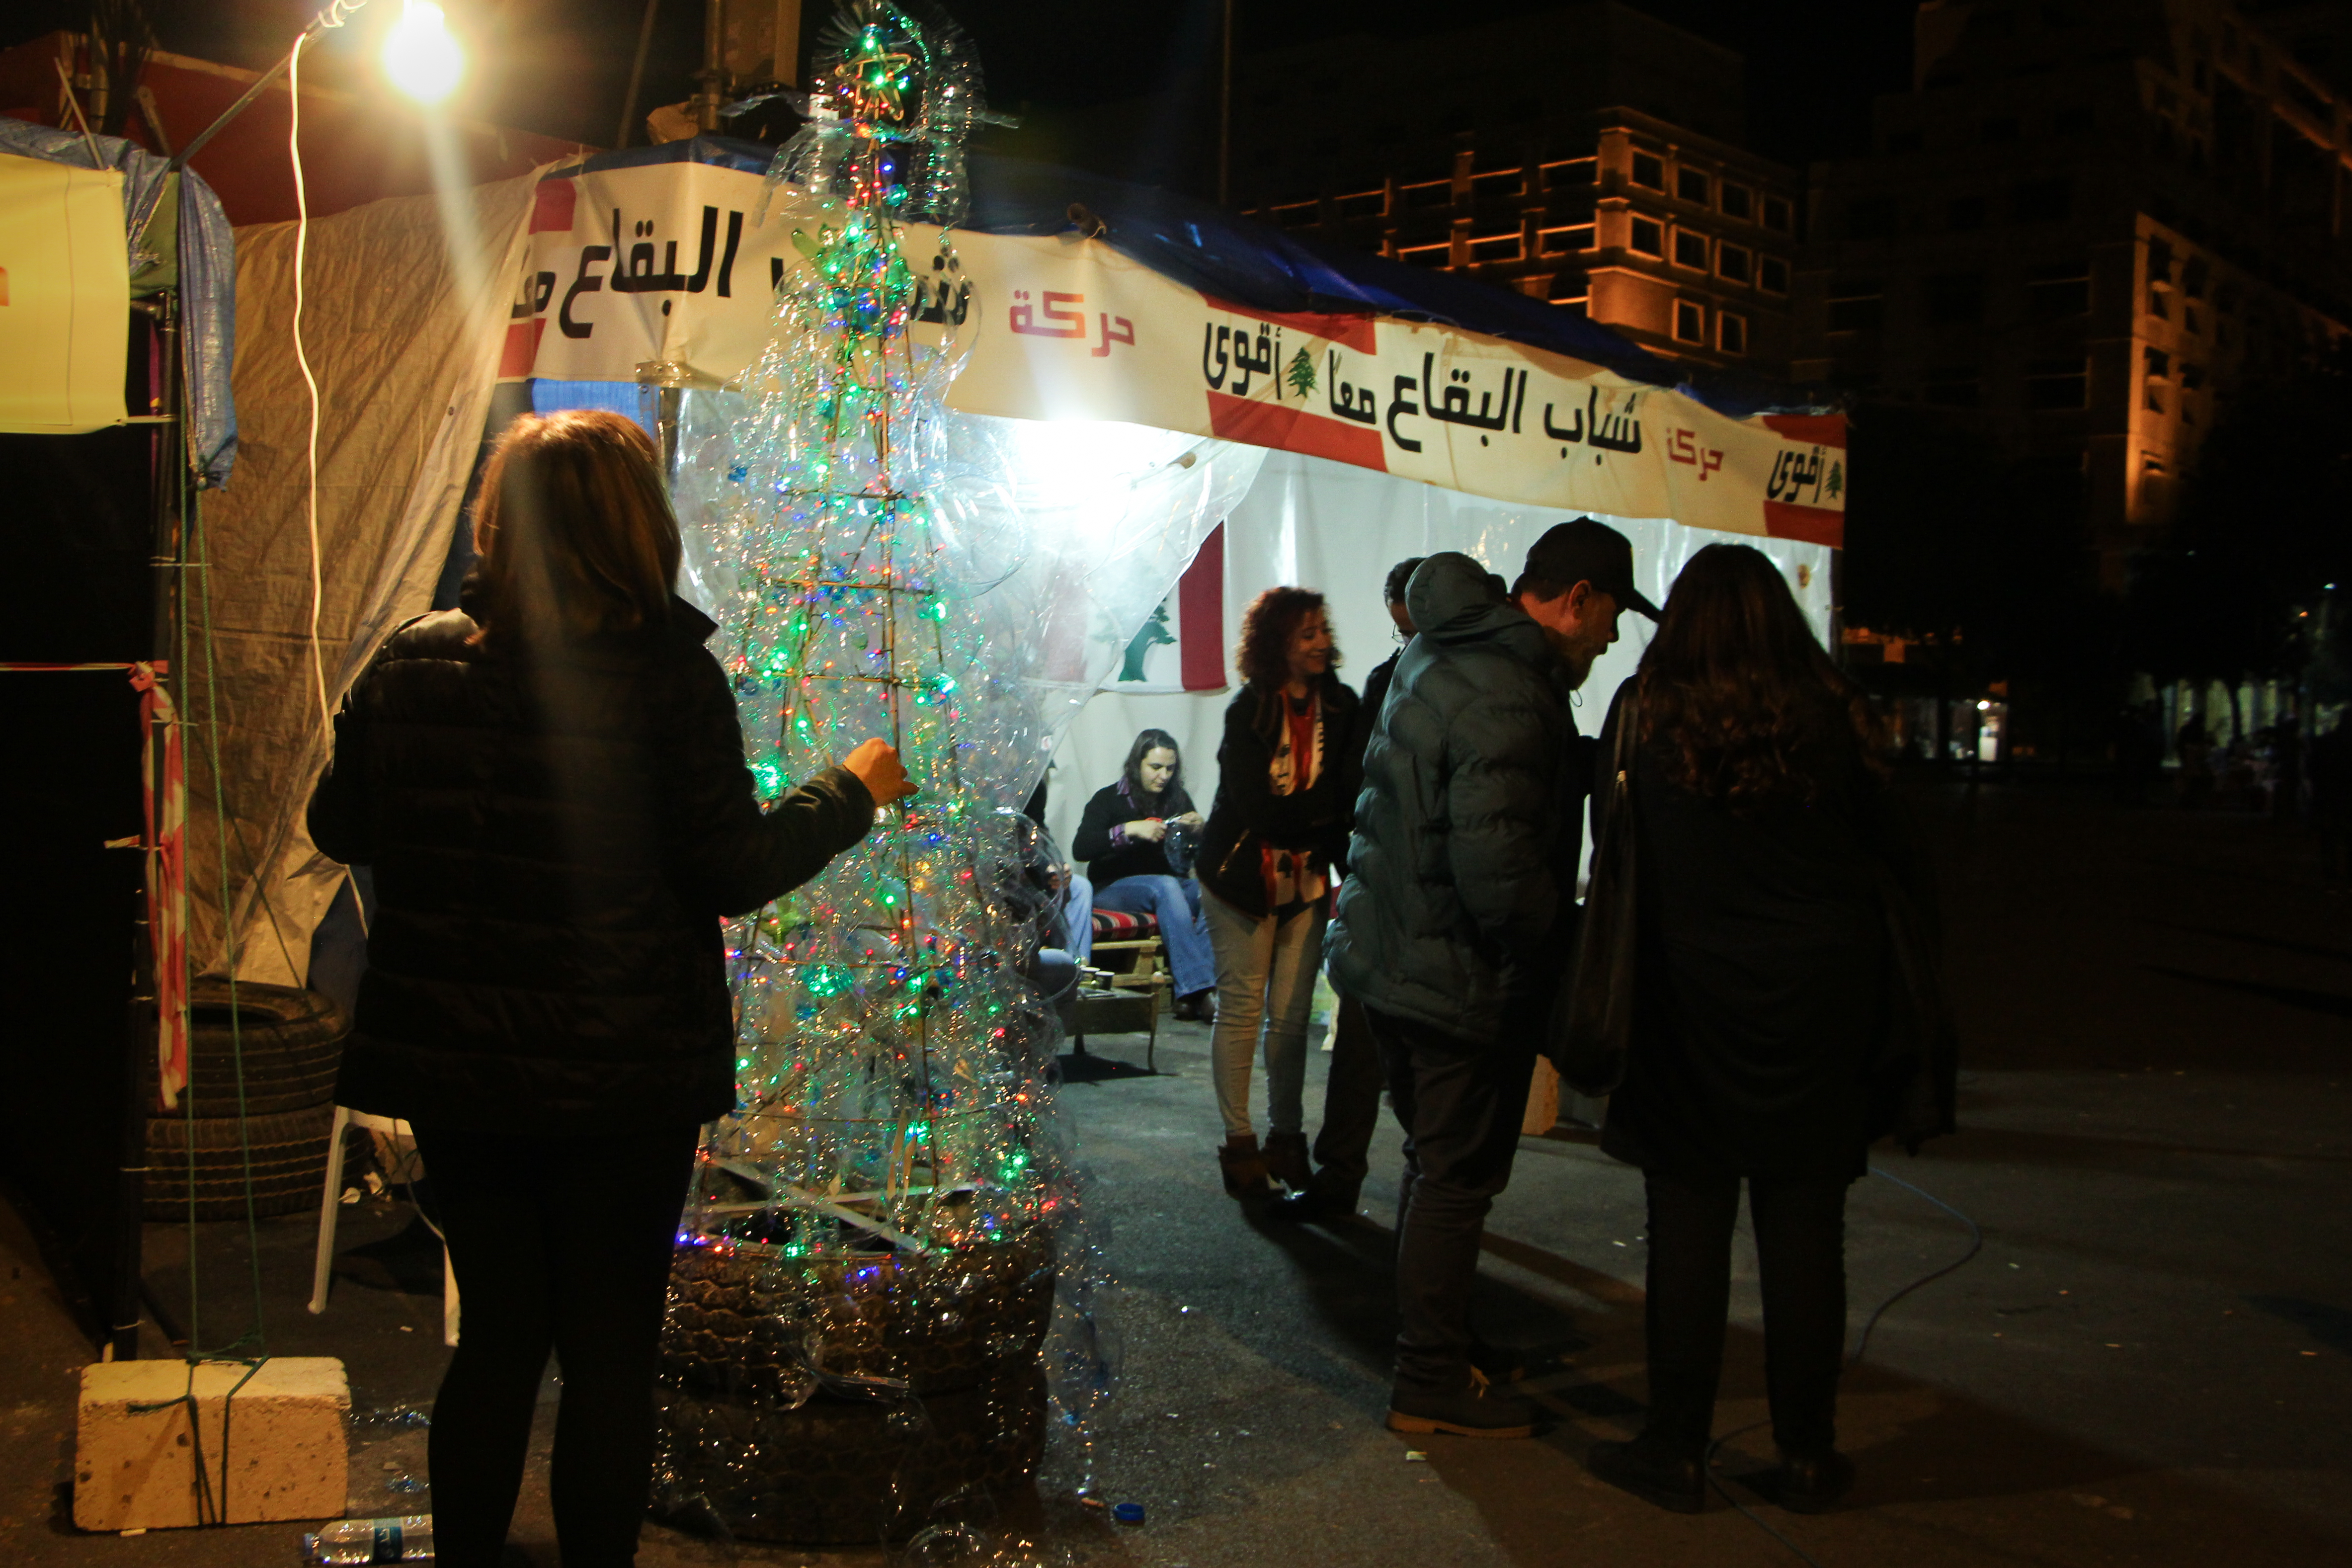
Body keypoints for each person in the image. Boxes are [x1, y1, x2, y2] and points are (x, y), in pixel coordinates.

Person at [305, 410, 913, 1568]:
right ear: (640, 525)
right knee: (607, 1352)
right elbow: (732, 868)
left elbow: (339, 824)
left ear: (499, 518)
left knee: (496, 1337)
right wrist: (848, 791)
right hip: (624, 1075)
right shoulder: (670, 679)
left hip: (460, 1069)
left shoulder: (412, 656)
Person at [1579, 543, 1941, 1516]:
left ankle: (1673, 1446)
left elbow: (1609, 851)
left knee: (1686, 1224)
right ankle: (1807, 1453)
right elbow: (1898, 859)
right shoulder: (1832, 715)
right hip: (1821, 1005)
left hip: (1683, 1002)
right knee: (1803, 1227)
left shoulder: (1643, 714)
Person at [1327, 520, 1654, 1437]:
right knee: (1454, 1177)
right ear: (1577, 599)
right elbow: (1499, 874)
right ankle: (1428, 1378)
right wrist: (1566, 952)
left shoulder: (1440, 651)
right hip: (1453, 977)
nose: (1610, 639)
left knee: (1434, 1169)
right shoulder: (1511, 692)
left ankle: (1445, 1346)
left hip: (1390, 959)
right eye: (1610, 617)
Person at [1198, 588, 1361, 1199]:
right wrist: (1317, 816)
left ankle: (1285, 1139)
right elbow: (1255, 808)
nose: (1320, 643)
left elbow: (1348, 794)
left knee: (1290, 1018)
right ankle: (1238, 1141)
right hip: (1239, 877)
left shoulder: (1343, 705)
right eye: (1305, 634)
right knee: (1242, 1007)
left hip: (1308, 877)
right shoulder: (1248, 709)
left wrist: (1307, 817)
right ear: (1276, 645)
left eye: (1322, 630)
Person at [1275, 556, 1423, 1223]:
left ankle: (1368, 1180)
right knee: (1368, 1043)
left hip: (1401, 891)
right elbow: (1354, 790)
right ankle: (1362, 1179)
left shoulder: (1395, 682)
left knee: (1383, 1049)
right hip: (1392, 890)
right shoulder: (1390, 681)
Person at [1072, 730, 1215, 1020]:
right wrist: (1130, 830)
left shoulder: (1177, 799)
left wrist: (1201, 831)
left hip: (1166, 886)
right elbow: (1082, 848)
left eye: (1170, 769)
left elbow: (1193, 856)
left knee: (1211, 892)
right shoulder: (1108, 799)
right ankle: (1200, 991)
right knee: (1164, 886)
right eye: (1156, 767)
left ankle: (1192, 995)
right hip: (1112, 888)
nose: (1163, 776)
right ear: (1137, 764)